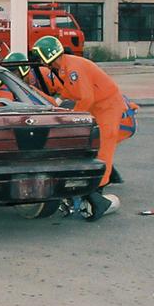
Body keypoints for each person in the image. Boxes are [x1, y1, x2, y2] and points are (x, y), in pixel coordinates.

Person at [32, 35, 124, 220]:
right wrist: (52, 103)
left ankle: (98, 195)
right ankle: (94, 189)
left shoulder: (73, 68)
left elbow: (87, 98)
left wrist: (73, 118)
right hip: (99, 107)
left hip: (107, 108)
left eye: (40, 56)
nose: (40, 61)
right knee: (93, 149)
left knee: (102, 150)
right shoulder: (65, 67)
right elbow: (68, 92)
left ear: (46, 56)